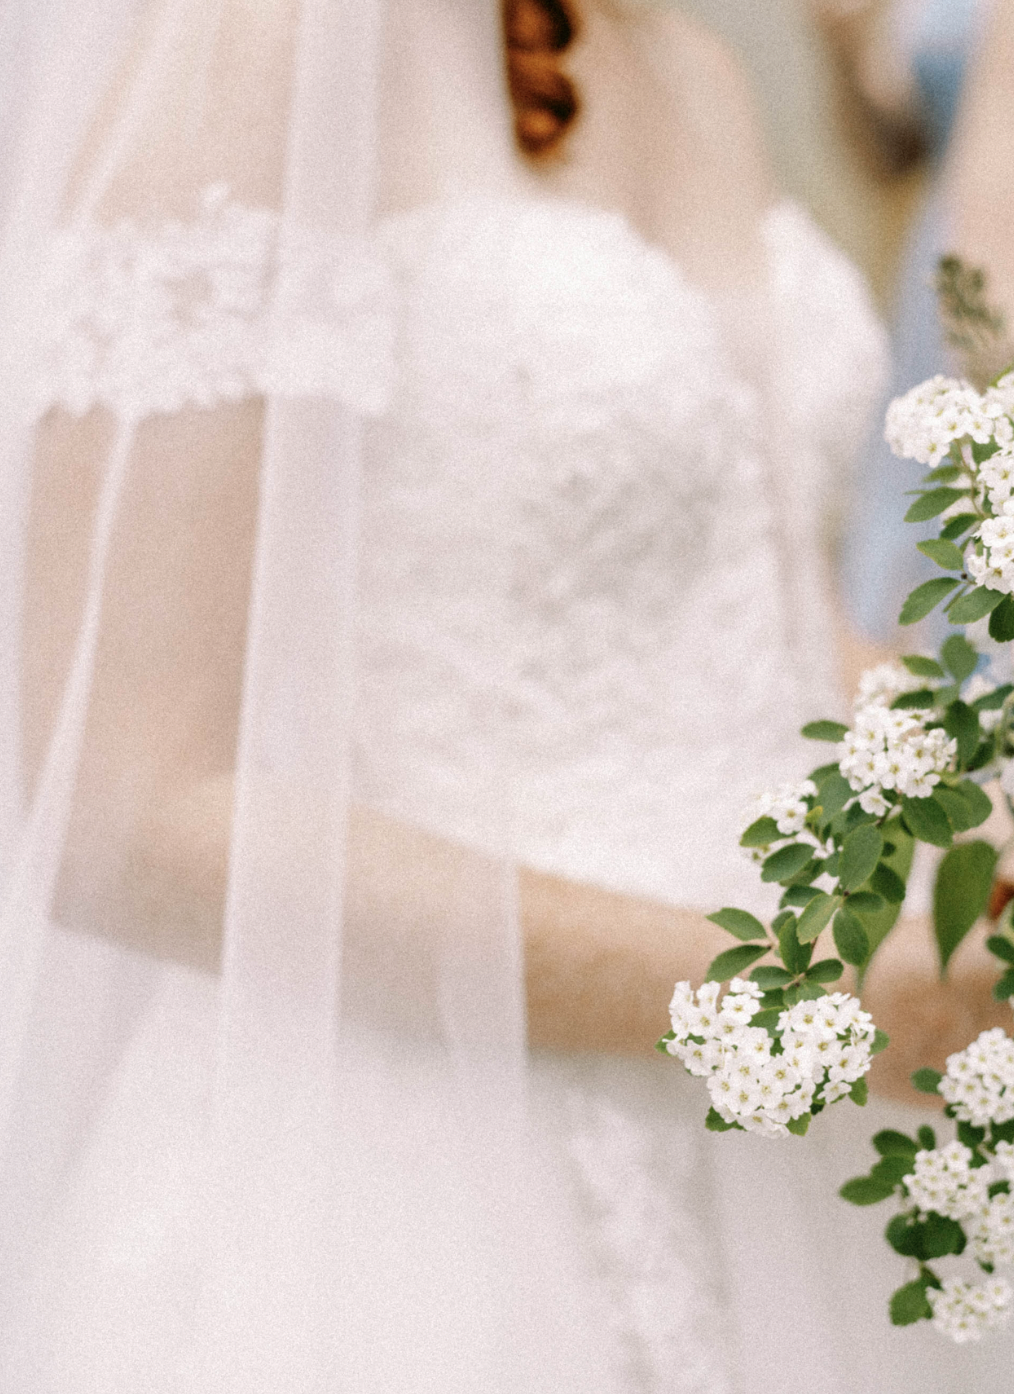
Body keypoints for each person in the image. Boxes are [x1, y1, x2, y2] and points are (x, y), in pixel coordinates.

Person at [0, 0, 1003, 1389]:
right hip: (417, 1192)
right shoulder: (270, 47)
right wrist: (776, 1005)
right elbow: (128, 813)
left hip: (782, 1160)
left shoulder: (684, 64)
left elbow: (754, 606)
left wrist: (977, 795)